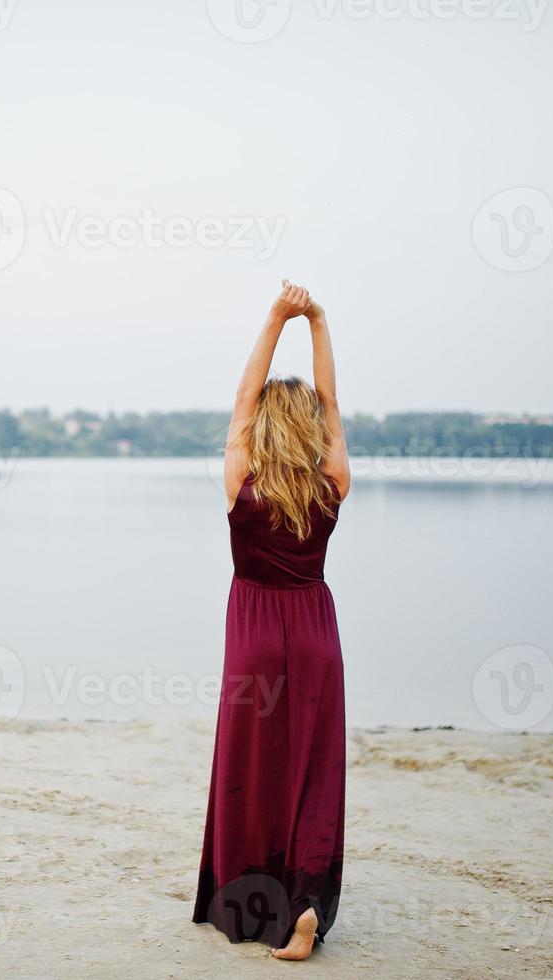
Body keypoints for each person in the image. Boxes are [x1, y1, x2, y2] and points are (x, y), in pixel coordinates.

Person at [192, 281, 351, 961]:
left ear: (261, 425)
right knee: (312, 771)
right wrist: (314, 321)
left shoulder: (240, 479)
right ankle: (306, 906)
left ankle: (255, 906)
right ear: (310, 429)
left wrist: (273, 318)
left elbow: (239, 400)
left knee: (250, 769)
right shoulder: (331, 480)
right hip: (315, 637)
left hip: (255, 640)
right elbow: (333, 405)